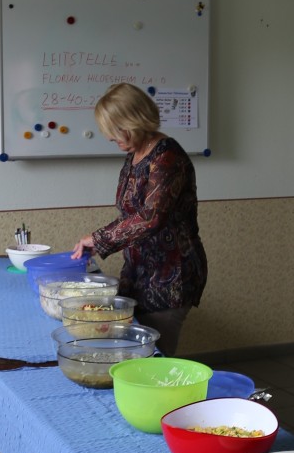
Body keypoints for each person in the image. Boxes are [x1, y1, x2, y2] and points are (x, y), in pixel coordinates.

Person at [72, 83, 207, 356]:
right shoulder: (135, 154)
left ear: (134, 121)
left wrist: (99, 238)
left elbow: (150, 217)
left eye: (116, 131)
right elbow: (131, 216)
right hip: (139, 271)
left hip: (170, 278)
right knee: (133, 354)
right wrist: (99, 243)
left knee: (156, 359)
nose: (111, 139)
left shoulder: (167, 156)